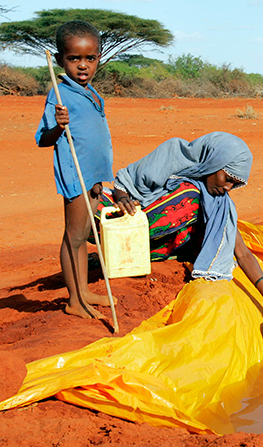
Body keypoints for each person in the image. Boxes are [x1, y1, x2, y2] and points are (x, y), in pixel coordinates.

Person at [109, 132, 263, 317]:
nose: (228, 188)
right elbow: (126, 183)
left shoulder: (218, 203)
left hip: (154, 253)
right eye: (227, 179)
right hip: (129, 224)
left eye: (234, 184)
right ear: (214, 162)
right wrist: (123, 198)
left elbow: (242, 253)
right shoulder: (172, 154)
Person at [36, 20, 114, 320]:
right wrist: (58, 125)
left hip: (93, 175)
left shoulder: (91, 92)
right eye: (74, 58)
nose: (83, 66)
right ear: (60, 60)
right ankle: (73, 300)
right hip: (75, 174)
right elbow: (43, 138)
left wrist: (100, 179)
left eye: (90, 58)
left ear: (98, 58)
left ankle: (83, 291)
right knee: (74, 236)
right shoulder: (60, 94)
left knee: (84, 234)